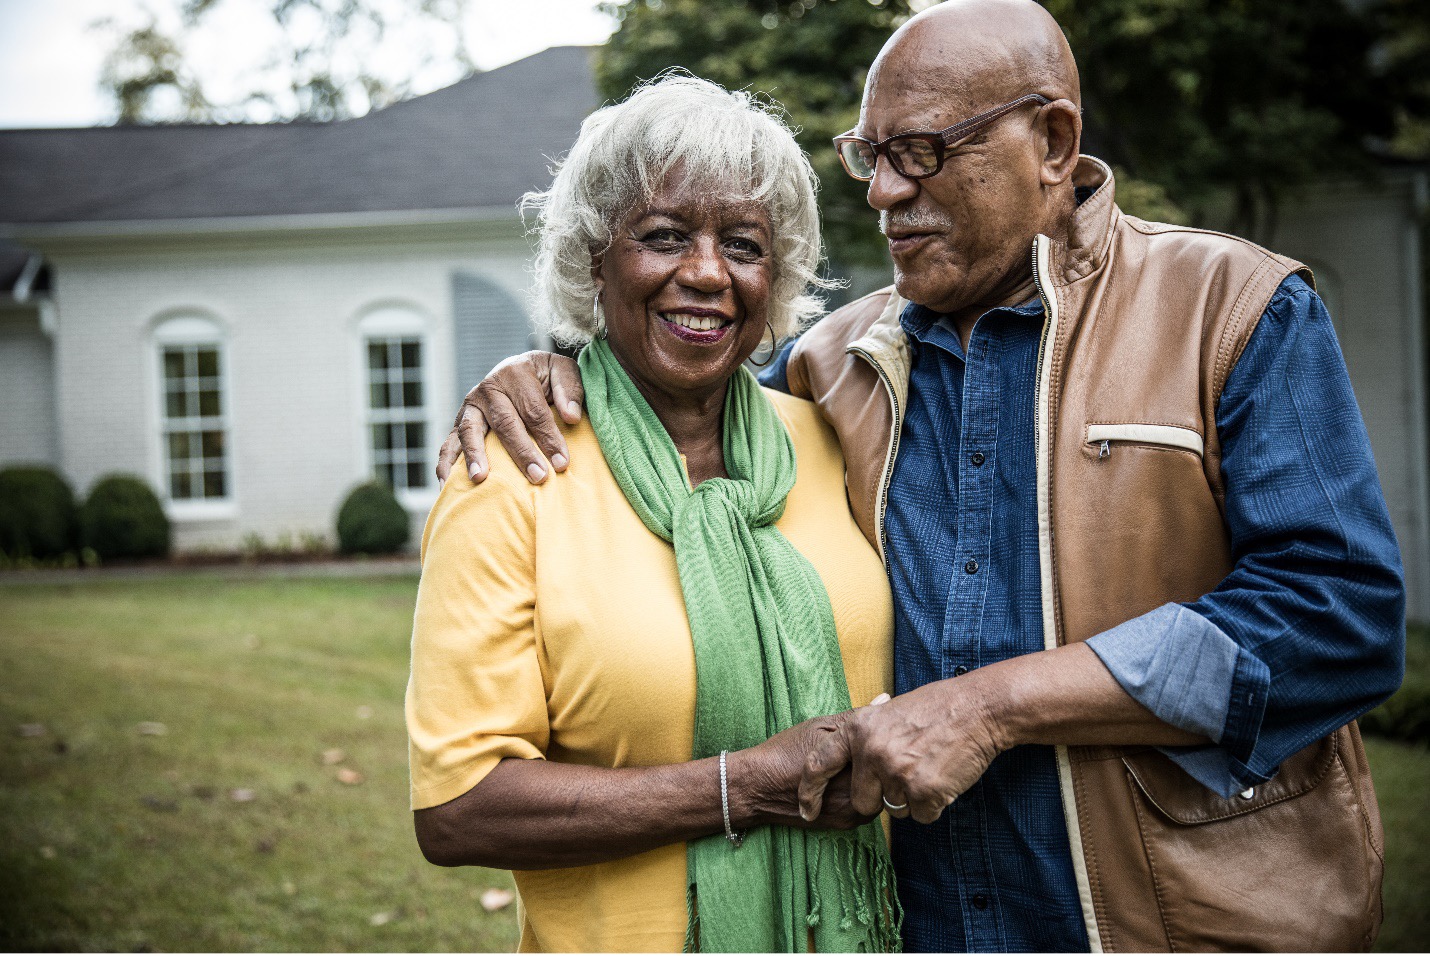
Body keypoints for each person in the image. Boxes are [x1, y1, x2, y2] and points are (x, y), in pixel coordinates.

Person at [437, 1, 1405, 951]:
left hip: (1170, 926)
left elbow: (1339, 615)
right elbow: (672, 378)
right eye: (869, 156)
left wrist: (992, 704)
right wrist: (544, 368)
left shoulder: (1230, 310)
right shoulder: (827, 367)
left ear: (1053, 142)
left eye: (920, 153)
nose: (881, 193)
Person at [406, 74, 902, 954]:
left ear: (774, 275)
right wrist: (745, 787)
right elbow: (457, 808)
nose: (707, 272)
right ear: (596, 258)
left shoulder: (836, 442)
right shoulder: (514, 471)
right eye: (665, 236)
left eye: (743, 244)